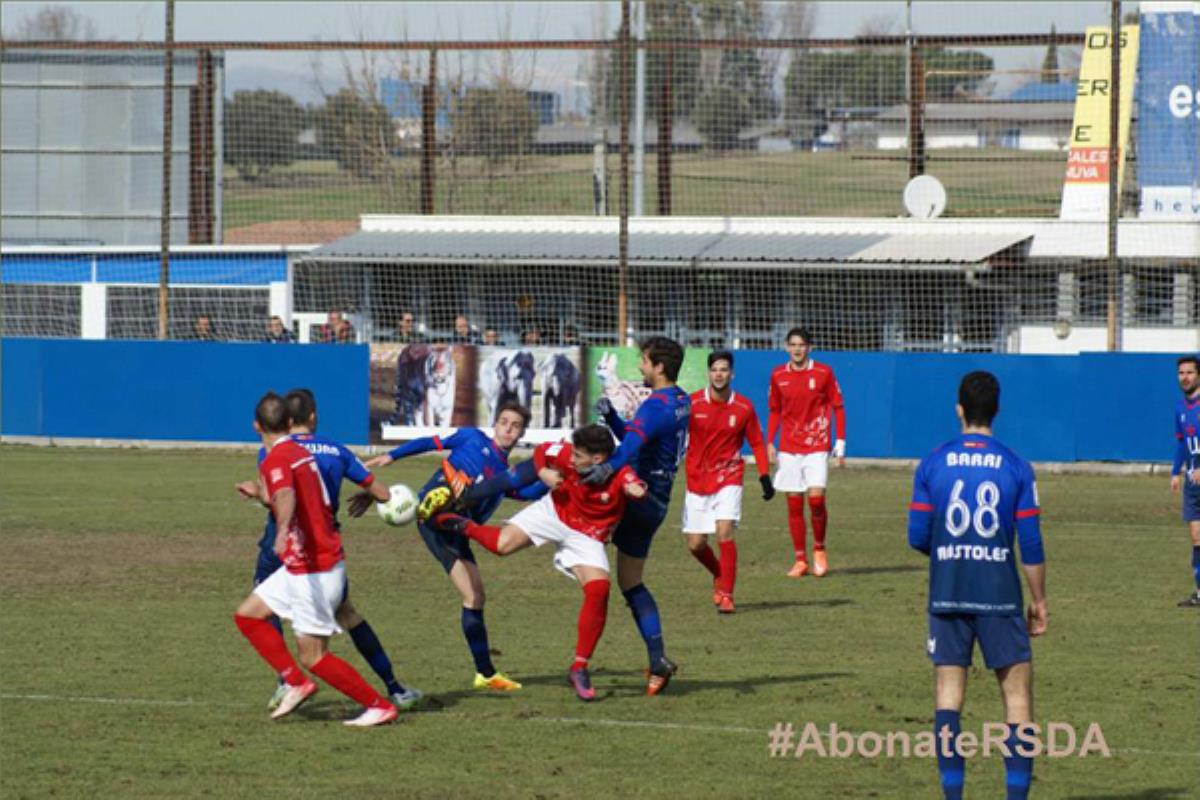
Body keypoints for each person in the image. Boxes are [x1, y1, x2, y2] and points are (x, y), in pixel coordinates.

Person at [427, 425, 647, 701]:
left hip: (587, 535)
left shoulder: (620, 471)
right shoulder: (567, 454)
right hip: (554, 511)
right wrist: (543, 472)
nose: (572, 458)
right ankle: (459, 524)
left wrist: (636, 490)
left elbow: (635, 486)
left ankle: (579, 667)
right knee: (501, 546)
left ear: (598, 459)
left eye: (579, 456)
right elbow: (543, 452)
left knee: (599, 589)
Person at [237, 389, 423, 712]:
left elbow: (276, 495)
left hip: (281, 544)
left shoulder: (272, 452)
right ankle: (394, 688)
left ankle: (287, 682)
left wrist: (261, 498)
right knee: (347, 615)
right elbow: (382, 493)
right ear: (311, 417)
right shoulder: (335, 450)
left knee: (265, 612)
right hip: (323, 546)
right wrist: (370, 495)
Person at [907, 371, 1047, 800]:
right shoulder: (1017, 466)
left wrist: (951, 551)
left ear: (959, 410)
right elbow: (1030, 544)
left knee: (948, 697)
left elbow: (917, 535)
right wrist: (1039, 600)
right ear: (997, 410)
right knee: (1017, 698)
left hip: (948, 590)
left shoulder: (933, 462)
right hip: (1000, 594)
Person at [364, 402, 543, 691]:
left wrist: (558, 480)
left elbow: (531, 491)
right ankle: (437, 502)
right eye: (504, 422)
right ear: (495, 424)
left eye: (515, 426)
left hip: (459, 530)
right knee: (471, 591)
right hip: (436, 524)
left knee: (475, 597)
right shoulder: (471, 437)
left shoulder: (506, 475)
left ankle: (485, 674)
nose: (507, 429)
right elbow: (431, 442)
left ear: (522, 433)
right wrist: (393, 455)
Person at [591, 336, 690, 695]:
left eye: (644, 361)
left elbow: (628, 448)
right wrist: (612, 418)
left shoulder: (655, 407)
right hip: (658, 501)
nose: (640, 366)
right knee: (631, 582)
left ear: (659, 367)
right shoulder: (681, 400)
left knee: (572, 502)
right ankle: (657, 659)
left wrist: (604, 470)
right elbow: (638, 437)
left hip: (637, 496)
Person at [683, 351, 773, 614]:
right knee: (696, 544)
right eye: (715, 370)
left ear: (732, 374)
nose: (719, 374)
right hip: (697, 479)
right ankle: (719, 573)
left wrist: (764, 475)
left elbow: (756, 442)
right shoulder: (693, 404)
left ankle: (727, 595)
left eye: (724, 370)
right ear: (708, 373)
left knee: (724, 531)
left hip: (729, 476)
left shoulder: (743, 407)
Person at [767, 327, 846, 578]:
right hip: (789, 447)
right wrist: (770, 442)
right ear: (786, 347)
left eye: (801, 345)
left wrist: (840, 441)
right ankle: (800, 559)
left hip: (817, 444)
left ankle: (819, 549)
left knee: (816, 499)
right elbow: (775, 411)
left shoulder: (824, 372)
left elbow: (838, 406)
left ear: (809, 348)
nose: (797, 349)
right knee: (794, 503)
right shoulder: (778, 375)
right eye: (793, 345)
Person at [1171, 354, 1200, 607]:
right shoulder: (1181, 408)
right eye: (1181, 373)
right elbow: (1182, 443)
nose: (1185, 377)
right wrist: (1175, 472)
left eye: (1190, 372)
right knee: (1196, 538)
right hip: (1192, 484)